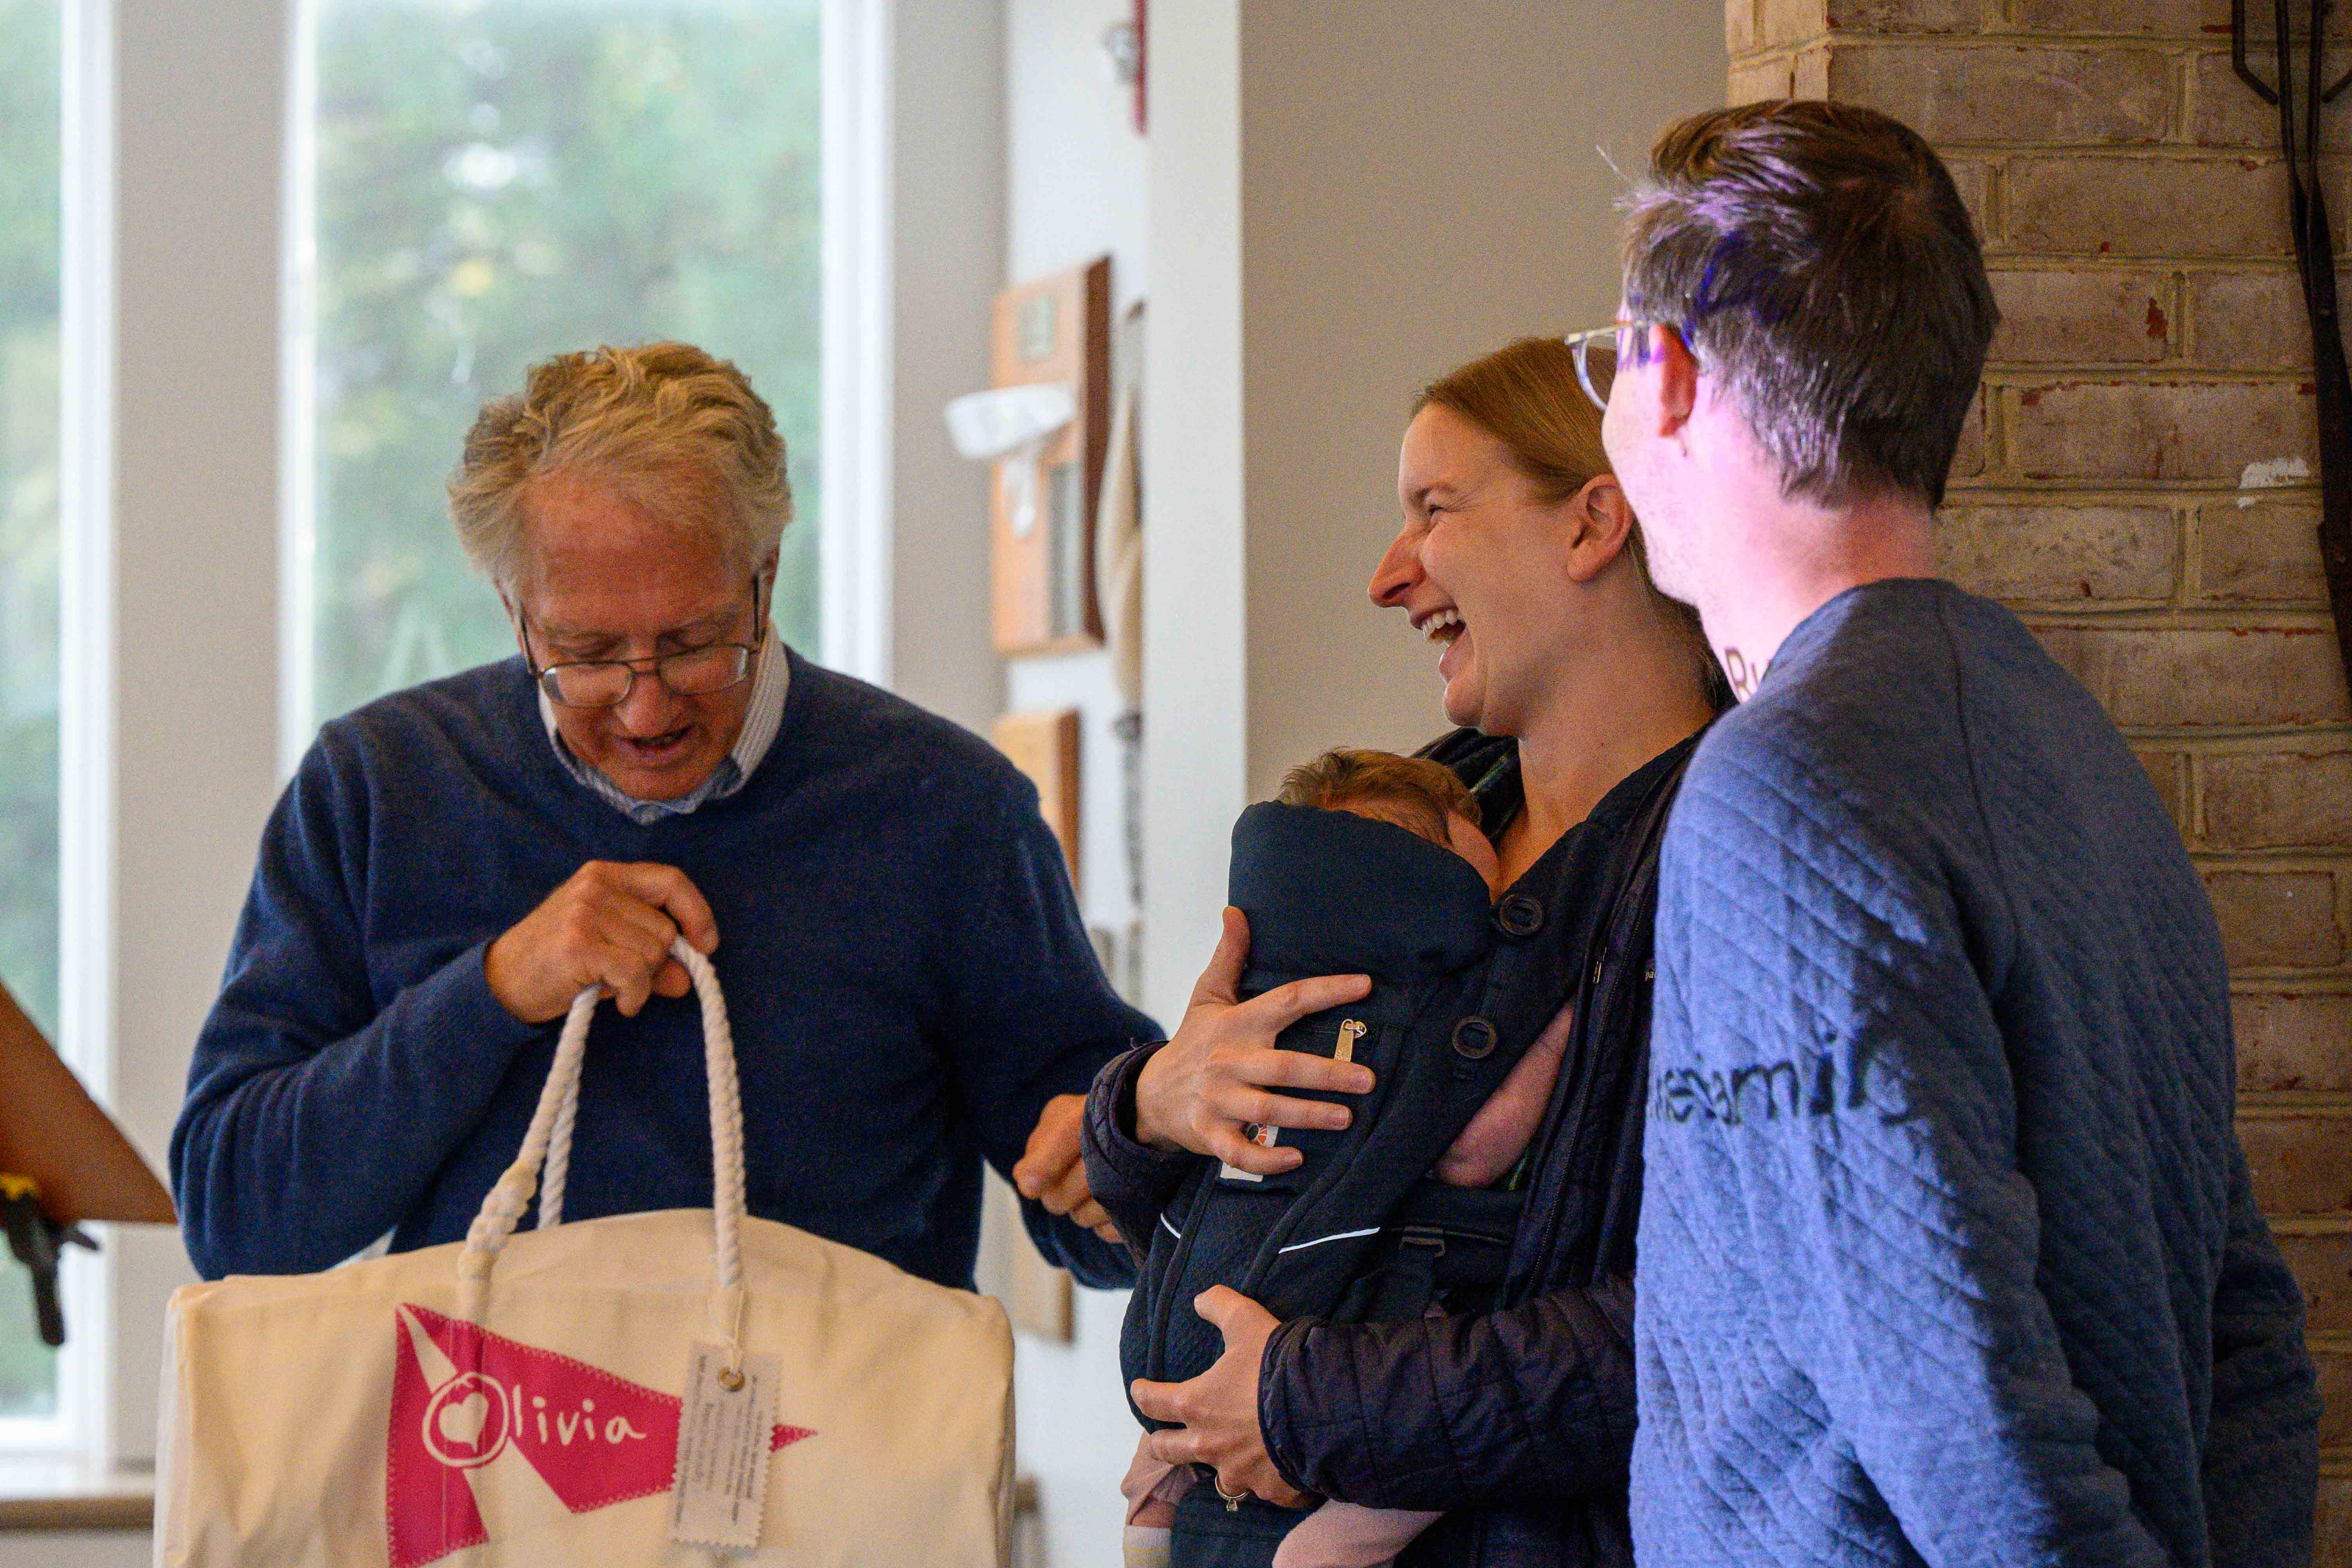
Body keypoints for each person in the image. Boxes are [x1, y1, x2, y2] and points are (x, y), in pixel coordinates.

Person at [1594, 101, 2322, 1567]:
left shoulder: (1779, 791)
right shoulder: (2074, 744)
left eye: (1605, 360)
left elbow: (1962, 1418)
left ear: (1665, 376)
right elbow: (2247, 1331)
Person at [172, 341, 1148, 1294]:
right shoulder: (379, 788)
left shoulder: (949, 810)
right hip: (479, 1404)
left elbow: (1105, 1222)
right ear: (515, 610)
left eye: (693, 643)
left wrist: (1127, 1167)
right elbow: (234, 1220)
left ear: (767, 576)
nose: (647, 711)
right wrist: (496, 988)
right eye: (589, 653)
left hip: (844, 1408)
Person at [1082, 336, 1726, 1568]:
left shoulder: (1731, 857)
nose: (1388, 578)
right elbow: (1247, 1186)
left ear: (1593, 522)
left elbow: (1718, 1331)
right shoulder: (1407, 814)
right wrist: (1152, 1106)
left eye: (1434, 508)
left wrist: (1314, 1404)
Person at [1120, 749, 1543, 1568]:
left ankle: (1152, 1497)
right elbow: (1472, 1153)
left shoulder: (1256, 984)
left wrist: (1139, 1101)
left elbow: (1136, 1188)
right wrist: (1551, 1023)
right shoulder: (1433, 1005)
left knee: (1184, 1379)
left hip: (1176, 1314)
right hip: (1350, 1325)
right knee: (1425, 1377)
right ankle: (1328, 1550)